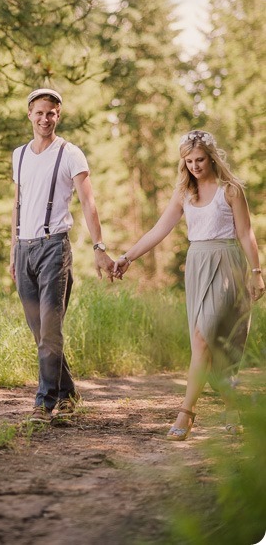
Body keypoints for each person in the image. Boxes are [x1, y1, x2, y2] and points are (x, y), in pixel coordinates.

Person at [113, 130, 264, 440]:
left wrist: (257, 271)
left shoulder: (230, 191)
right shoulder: (184, 193)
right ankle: (233, 408)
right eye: (189, 161)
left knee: (207, 337)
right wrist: (128, 257)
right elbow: (159, 230)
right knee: (206, 343)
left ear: (212, 158)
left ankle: (186, 414)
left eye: (200, 160)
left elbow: (245, 233)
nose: (195, 166)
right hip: (197, 264)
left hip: (227, 264)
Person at [10, 88, 115, 424]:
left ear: (59, 115)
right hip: (24, 248)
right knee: (40, 332)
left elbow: (88, 203)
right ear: (29, 114)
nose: (45, 119)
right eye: (39, 113)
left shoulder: (71, 154)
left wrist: (99, 248)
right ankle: (68, 394)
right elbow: (18, 204)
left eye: (51, 113)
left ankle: (44, 403)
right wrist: (13, 250)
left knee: (50, 330)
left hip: (54, 248)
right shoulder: (20, 155)